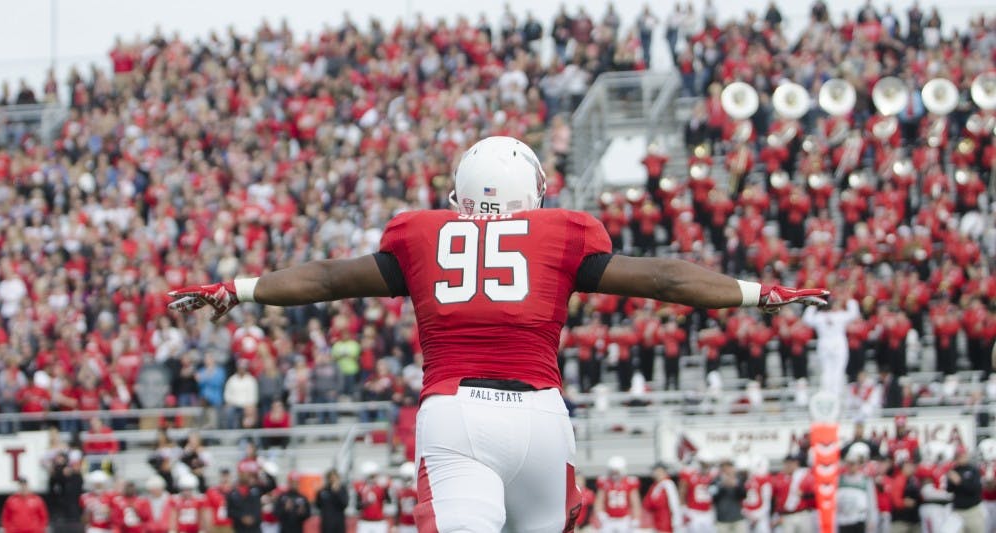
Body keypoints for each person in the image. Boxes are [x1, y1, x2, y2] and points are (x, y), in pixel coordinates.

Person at [169, 136, 828, 532]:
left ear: (461, 196)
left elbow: (325, 279)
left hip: (455, 413)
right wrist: (757, 292)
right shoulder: (562, 231)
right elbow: (663, 278)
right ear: (533, 192)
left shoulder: (421, 234)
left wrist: (240, 289)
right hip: (542, 414)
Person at [802, 297, 860, 394]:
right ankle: (836, 394)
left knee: (826, 370)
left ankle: (826, 393)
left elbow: (806, 319)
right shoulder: (840, 316)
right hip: (838, 343)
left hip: (824, 344)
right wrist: (850, 300)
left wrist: (812, 306)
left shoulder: (819, 317)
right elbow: (854, 314)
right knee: (838, 370)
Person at [595, 456, 642, 532]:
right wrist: (600, 513)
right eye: (612, 471)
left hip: (624, 519)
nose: (614, 474)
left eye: (616, 472)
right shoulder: (605, 482)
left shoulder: (629, 482)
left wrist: (636, 518)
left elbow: (635, 503)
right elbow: (599, 501)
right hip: (609, 519)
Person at [948, 448, 985, 533]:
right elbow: (949, 490)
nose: (960, 458)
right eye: (958, 456)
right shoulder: (954, 470)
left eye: (962, 456)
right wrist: (951, 480)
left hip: (972, 511)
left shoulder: (973, 469)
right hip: (958, 511)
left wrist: (959, 481)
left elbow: (975, 489)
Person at [642, 463, 682, 533]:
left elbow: (674, 505)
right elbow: (647, 504)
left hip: (666, 524)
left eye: (659, 472)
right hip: (656, 523)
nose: (657, 474)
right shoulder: (654, 486)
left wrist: (676, 522)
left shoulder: (668, 485)